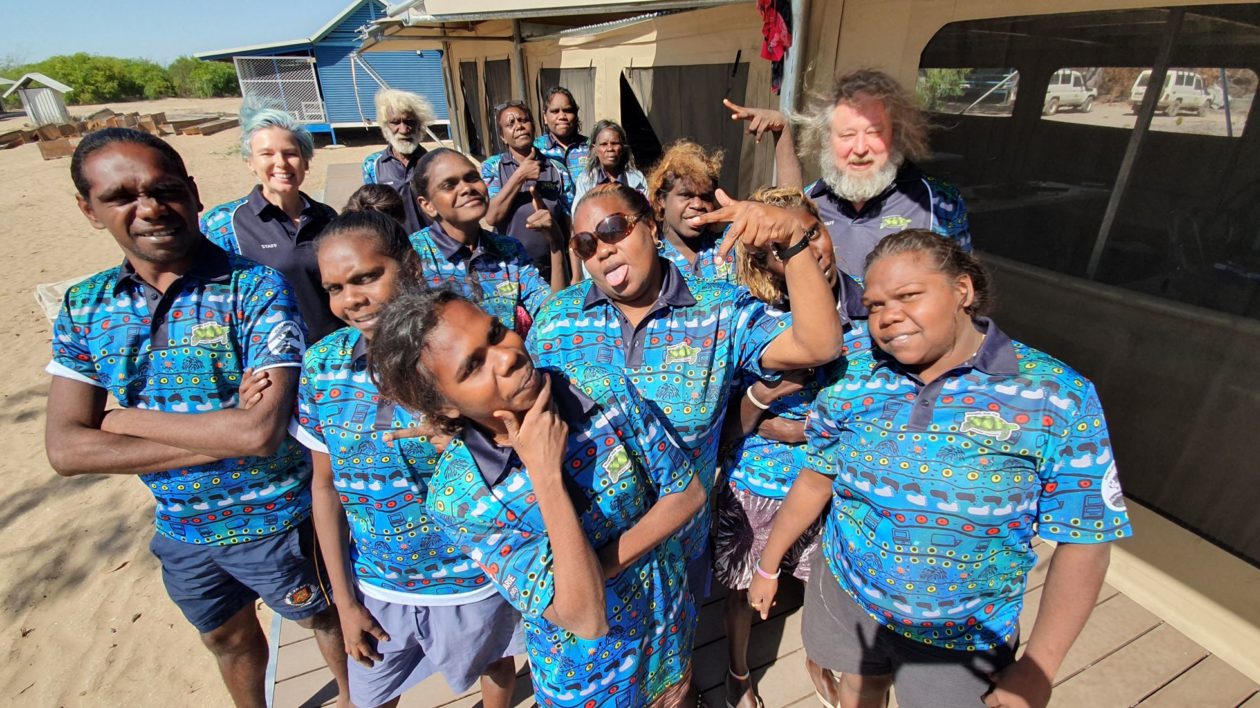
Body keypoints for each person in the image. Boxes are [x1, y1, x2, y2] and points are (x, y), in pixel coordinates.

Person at [748, 230, 1131, 708]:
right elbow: (816, 477)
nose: (887, 318)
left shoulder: (1056, 398)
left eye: (908, 296)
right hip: (847, 591)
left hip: (962, 636)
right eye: (874, 306)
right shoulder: (853, 378)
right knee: (857, 687)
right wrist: (768, 565)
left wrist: (1038, 667)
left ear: (963, 292)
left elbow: (1086, 539)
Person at [46, 128, 349, 708]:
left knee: (327, 621)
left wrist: (123, 418)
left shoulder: (253, 287)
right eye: (121, 196)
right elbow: (66, 450)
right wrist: (230, 428)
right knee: (226, 637)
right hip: (182, 527)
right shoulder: (86, 306)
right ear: (88, 210)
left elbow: (260, 433)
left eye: (165, 190)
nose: (151, 208)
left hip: (280, 519)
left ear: (192, 191)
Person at [369, 290, 706, 706]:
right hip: (590, 680)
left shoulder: (601, 388)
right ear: (444, 405)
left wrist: (592, 574)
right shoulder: (462, 498)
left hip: (668, 626)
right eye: (473, 366)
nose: (507, 356)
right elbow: (584, 618)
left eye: (496, 332)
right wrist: (545, 475)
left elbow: (687, 493)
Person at [526, 182, 845, 597]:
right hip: (584, 556)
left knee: (676, 660)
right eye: (585, 243)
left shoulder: (719, 310)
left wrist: (792, 242)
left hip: (680, 548)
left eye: (612, 229)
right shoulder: (555, 321)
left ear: (652, 229)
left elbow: (819, 344)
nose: (602, 250)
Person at [296, 211, 520, 708]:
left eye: (367, 277)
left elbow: (520, 448)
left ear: (411, 266)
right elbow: (324, 487)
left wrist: (463, 438)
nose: (352, 299)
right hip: (379, 587)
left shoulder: (461, 354)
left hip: (477, 578)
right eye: (334, 287)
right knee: (369, 695)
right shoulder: (321, 366)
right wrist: (347, 600)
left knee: (496, 662)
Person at [716, 187, 868, 708]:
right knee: (742, 589)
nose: (812, 251)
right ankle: (738, 670)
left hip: (838, 488)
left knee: (824, 589)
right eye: (784, 249)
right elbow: (730, 426)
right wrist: (762, 402)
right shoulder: (753, 319)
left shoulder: (871, 304)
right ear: (765, 264)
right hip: (757, 485)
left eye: (811, 233)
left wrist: (810, 430)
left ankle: (817, 655)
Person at [731, 69, 971, 280]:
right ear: (826, 139)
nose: (859, 149)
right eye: (846, 135)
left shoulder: (937, 203)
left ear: (897, 135)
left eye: (874, 133)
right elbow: (790, 214)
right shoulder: (812, 197)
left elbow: (957, 293)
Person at [201, 104, 342, 341]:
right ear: (250, 162)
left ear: (306, 161)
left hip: (331, 354)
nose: (281, 163)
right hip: (270, 361)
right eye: (267, 154)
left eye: (290, 153)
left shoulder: (327, 217)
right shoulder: (223, 224)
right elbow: (211, 304)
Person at [410, 148, 563, 335]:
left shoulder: (509, 250)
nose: (467, 188)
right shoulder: (412, 255)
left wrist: (556, 243)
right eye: (449, 185)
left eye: (472, 177)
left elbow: (553, 313)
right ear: (428, 205)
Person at [482, 100, 573, 282]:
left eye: (524, 120)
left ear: (533, 126)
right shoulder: (492, 167)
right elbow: (492, 216)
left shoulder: (556, 168)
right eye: (511, 124)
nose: (519, 126)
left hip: (553, 268)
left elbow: (570, 225)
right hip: (511, 270)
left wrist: (575, 276)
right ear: (502, 137)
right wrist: (520, 175)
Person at [646, 140, 736, 282]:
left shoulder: (728, 247)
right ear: (661, 200)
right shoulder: (649, 260)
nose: (698, 204)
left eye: (706, 197)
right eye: (686, 195)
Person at [362, 88, 437, 235]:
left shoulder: (435, 161)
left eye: (410, 122)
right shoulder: (372, 165)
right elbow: (371, 210)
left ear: (420, 126)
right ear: (385, 126)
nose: (403, 129)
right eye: (395, 122)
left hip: (436, 245)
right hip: (396, 244)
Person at [533, 86, 590, 204]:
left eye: (568, 110)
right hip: (552, 219)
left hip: (588, 217)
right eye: (555, 111)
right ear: (545, 117)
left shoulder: (591, 147)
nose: (562, 116)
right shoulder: (535, 149)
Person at [572, 119, 648, 206]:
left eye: (615, 143)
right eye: (604, 144)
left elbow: (646, 210)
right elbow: (578, 213)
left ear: (622, 148)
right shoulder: (586, 180)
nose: (610, 149)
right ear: (595, 149)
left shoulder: (636, 179)